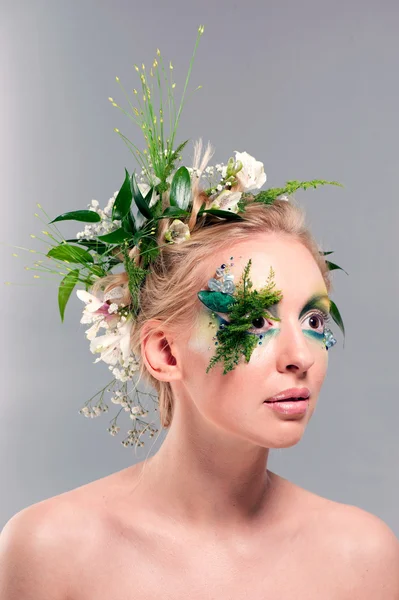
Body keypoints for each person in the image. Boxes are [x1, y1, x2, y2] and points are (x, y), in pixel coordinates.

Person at [1, 27, 398, 598]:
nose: (299, 358)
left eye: (313, 321)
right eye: (254, 320)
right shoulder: (50, 549)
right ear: (163, 351)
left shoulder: (361, 557)